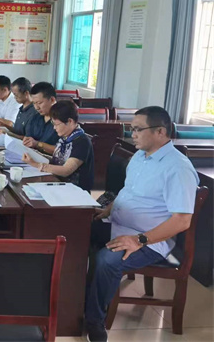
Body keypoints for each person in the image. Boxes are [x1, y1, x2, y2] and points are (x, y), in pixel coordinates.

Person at [85, 106, 198, 342]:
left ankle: (94, 321)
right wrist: (109, 208)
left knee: (107, 260)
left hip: (149, 239)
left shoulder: (177, 168)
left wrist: (139, 240)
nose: (132, 134)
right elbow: (130, 192)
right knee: (75, 232)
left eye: (138, 129)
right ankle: (74, 300)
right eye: (131, 129)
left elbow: (182, 220)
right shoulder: (139, 156)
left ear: (160, 132)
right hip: (118, 223)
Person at [22, 100, 94, 192]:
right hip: (58, 183)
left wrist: (36, 164)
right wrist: (35, 155)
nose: (54, 127)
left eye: (56, 124)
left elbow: (66, 170)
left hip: (74, 191)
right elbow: (57, 160)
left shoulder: (81, 141)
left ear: (70, 121)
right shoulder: (65, 137)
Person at [22, 81, 59, 154]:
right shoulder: (35, 117)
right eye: (34, 103)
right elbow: (28, 138)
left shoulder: (62, 120)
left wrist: (38, 144)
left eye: (39, 103)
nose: (36, 107)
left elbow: (64, 152)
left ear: (52, 100)